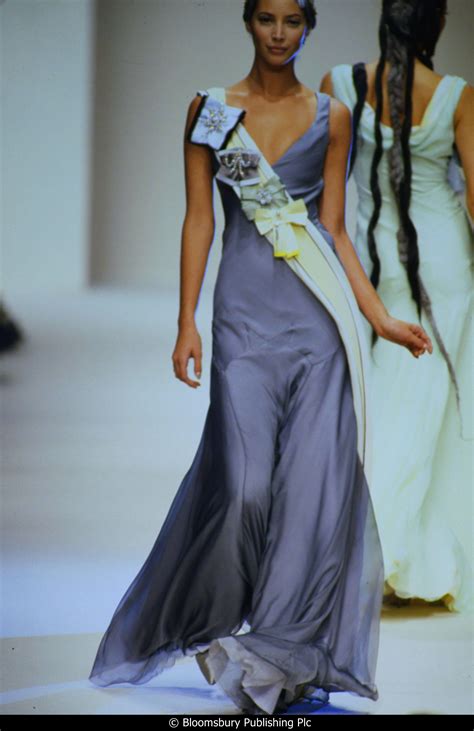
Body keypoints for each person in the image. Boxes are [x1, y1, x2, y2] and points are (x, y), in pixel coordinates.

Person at [88, 0, 433, 715]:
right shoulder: (211, 111)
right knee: (243, 488)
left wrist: (379, 318)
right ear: (247, 22)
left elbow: (334, 230)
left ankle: (277, 650)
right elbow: (199, 218)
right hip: (242, 322)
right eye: (267, 18)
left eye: (292, 21)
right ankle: (210, 615)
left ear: (308, 28)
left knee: (309, 496)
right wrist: (185, 321)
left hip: (318, 324)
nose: (279, 33)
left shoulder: (333, 116)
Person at [321, 0, 474, 612]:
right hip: (444, 263)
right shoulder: (457, 95)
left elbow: (321, 187)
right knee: (430, 406)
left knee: (382, 401)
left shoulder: (340, 83)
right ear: (438, 25)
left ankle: (373, 552)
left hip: (371, 263)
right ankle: (398, 555)